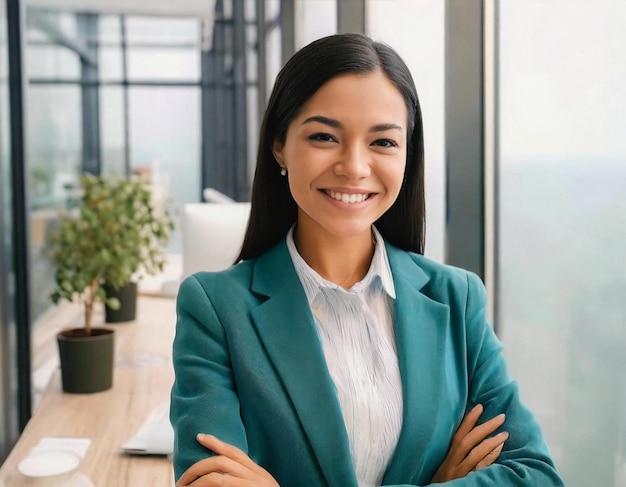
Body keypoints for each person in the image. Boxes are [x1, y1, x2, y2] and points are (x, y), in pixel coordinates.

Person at [170, 33, 564, 486]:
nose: (354, 167)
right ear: (279, 145)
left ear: (407, 154)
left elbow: (535, 475)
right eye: (324, 136)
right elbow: (209, 481)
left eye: (383, 143)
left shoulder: (457, 299)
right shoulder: (215, 308)